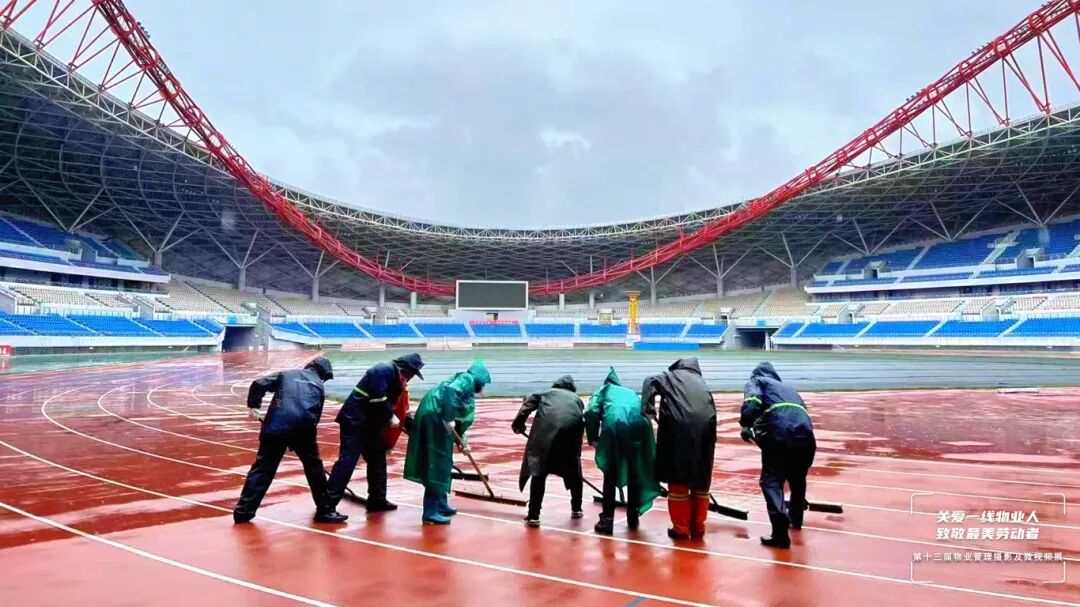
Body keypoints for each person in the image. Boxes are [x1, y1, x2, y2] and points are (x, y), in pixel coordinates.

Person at [233, 356, 346, 524]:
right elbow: (315, 416)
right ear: (322, 373)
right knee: (314, 468)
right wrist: (300, 440)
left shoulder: (286, 374)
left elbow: (258, 383)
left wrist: (254, 406)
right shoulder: (319, 385)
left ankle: (243, 512)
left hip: (275, 427)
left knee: (263, 469)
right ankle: (326, 510)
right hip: (304, 430)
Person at [325, 353, 425, 513]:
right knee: (348, 461)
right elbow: (378, 398)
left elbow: (397, 407)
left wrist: (410, 426)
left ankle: (377, 500)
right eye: (413, 374)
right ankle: (327, 506)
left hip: (370, 425)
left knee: (378, 459)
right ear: (406, 369)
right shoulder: (383, 370)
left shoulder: (397, 378)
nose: (411, 378)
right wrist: (390, 416)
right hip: (355, 422)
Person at [403, 360, 491, 525]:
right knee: (438, 464)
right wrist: (449, 417)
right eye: (484, 384)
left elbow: (461, 422)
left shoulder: (466, 393)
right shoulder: (468, 379)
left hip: (438, 419)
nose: (483, 388)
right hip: (435, 419)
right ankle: (430, 512)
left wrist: (463, 443)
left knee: (444, 462)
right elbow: (451, 392)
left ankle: (441, 504)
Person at [739, 362, 816, 549]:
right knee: (798, 479)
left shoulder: (757, 381)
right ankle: (796, 519)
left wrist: (746, 425)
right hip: (806, 437)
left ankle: (780, 533)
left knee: (771, 480)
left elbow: (752, 403)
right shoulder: (788, 388)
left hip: (780, 434)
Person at [641, 357, 717, 539]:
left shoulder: (671, 376)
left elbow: (649, 381)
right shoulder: (701, 382)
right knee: (701, 480)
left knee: (678, 480)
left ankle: (681, 529)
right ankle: (698, 526)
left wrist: (648, 409)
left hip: (678, 430)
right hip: (706, 431)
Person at [585, 368, 663, 535]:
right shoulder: (630, 392)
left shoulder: (603, 391)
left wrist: (593, 437)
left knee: (610, 473)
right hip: (641, 427)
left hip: (616, 424)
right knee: (635, 471)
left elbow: (591, 412)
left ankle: (607, 520)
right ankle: (633, 516)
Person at [512, 375, 586, 528]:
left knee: (538, 472)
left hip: (544, 438)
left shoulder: (545, 394)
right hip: (569, 438)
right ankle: (577, 508)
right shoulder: (577, 400)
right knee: (574, 472)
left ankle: (534, 515)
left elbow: (527, 404)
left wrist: (518, 425)